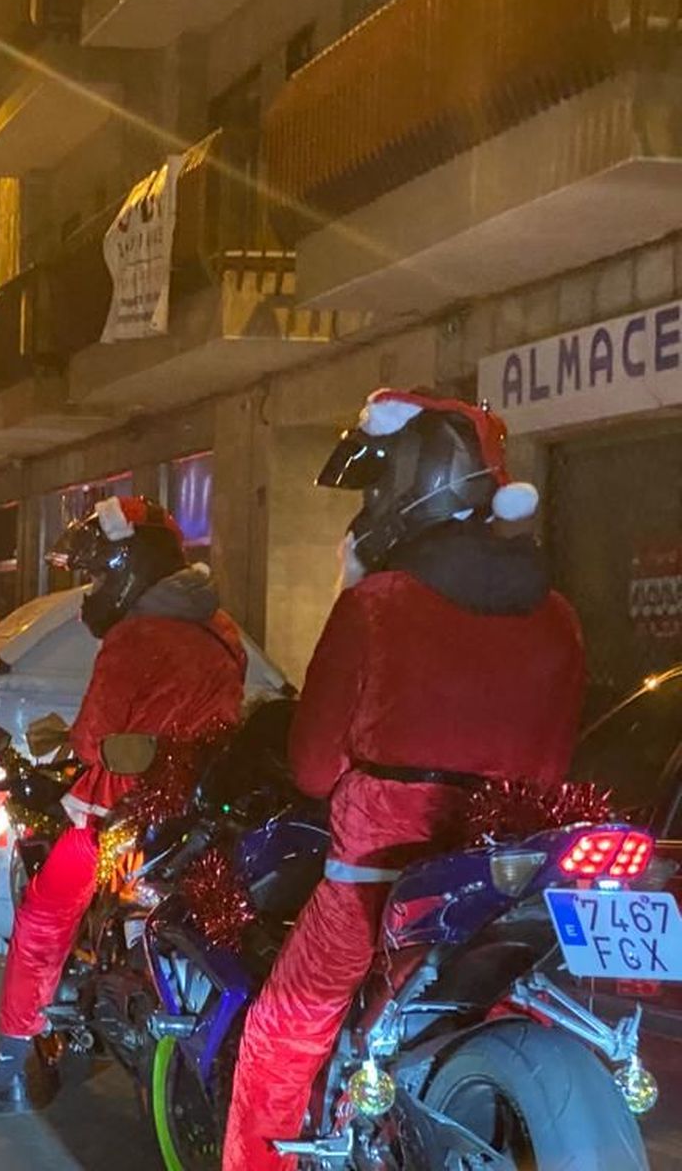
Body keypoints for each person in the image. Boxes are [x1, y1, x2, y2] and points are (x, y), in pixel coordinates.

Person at [223, 389, 585, 1170]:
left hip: (375, 883)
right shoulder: (558, 615)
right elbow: (554, 767)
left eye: (375, 486)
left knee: (280, 1037)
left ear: (408, 484)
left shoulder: (378, 604)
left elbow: (313, 768)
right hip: (506, 883)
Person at [0, 495, 247, 1113]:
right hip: (203, 814)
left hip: (121, 815)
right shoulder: (223, 631)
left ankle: (8, 1070)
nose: (93, 587)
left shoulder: (135, 635)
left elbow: (92, 738)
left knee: (42, 921)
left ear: (128, 567)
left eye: (97, 573)